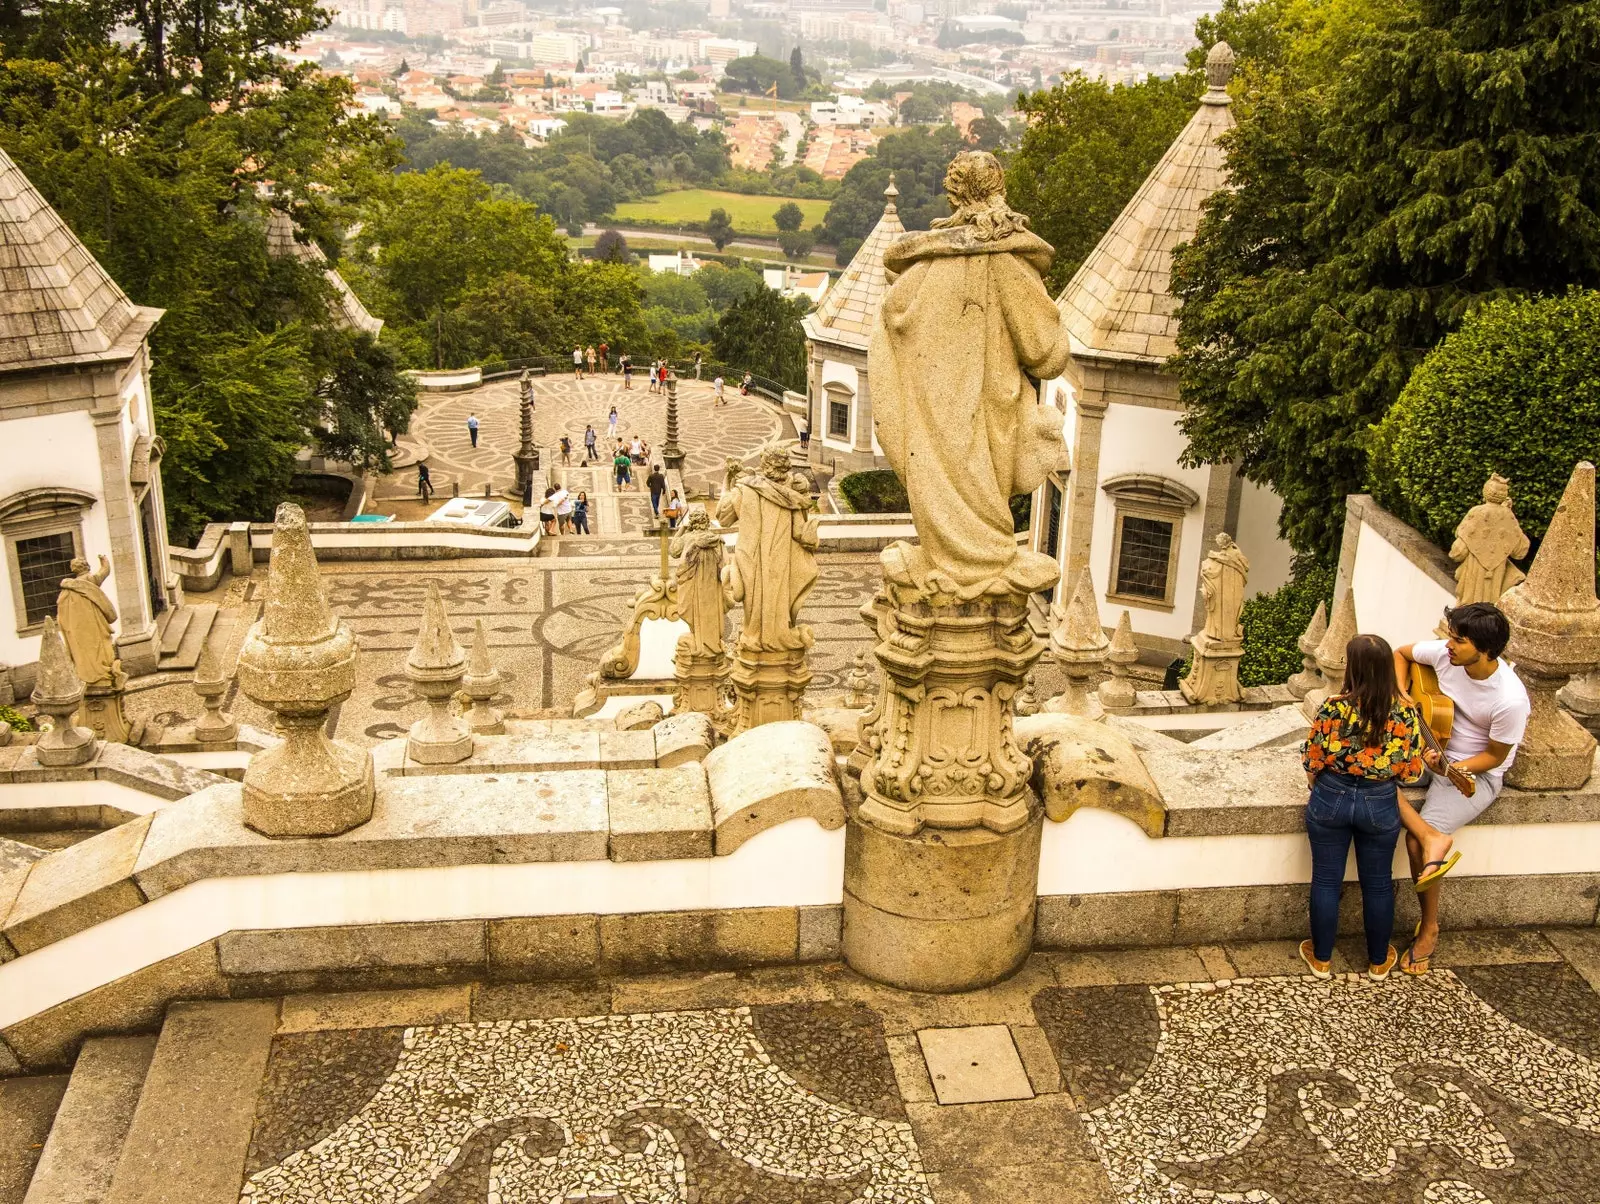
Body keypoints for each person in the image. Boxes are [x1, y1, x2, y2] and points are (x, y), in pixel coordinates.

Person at [1392, 602, 1531, 975]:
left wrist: (1450, 766)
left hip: (1473, 773)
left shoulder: (1510, 700)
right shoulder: (1445, 656)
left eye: (1459, 640)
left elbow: (1494, 756)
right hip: (1430, 744)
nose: (1448, 645)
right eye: (1451, 636)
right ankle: (1431, 835)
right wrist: (1402, 690)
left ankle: (1430, 927)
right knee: (1364, 775)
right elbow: (1401, 654)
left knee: (1416, 842)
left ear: (1485, 650)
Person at [1300, 633, 1425, 982]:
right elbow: (1412, 772)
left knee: (1326, 879)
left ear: (1351, 667)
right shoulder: (1404, 713)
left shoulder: (1333, 707)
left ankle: (1322, 959)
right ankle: (1376, 961)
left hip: (1331, 796)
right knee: (1378, 884)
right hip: (1379, 801)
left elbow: (1312, 761)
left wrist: (1319, 786)